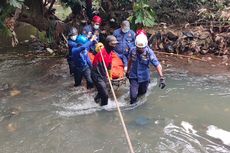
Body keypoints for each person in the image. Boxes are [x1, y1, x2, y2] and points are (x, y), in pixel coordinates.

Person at [126, 34, 166, 104]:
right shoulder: (133, 50)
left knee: (142, 94)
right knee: (133, 96)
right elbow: (130, 60)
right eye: (138, 48)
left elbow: (157, 65)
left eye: (142, 48)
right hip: (134, 76)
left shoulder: (149, 53)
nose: (140, 49)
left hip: (144, 77)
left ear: (145, 46)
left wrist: (161, 77)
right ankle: (133, 109)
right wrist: (128, 71)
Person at [91, 35, 118, 106]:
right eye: (112, 44)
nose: (114, 46)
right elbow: (94, 53)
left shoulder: (110, 53)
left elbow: (109, 67)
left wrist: (110, 76)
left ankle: (96, 100)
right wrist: (97, 49)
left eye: (115, 44)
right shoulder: (101, 53)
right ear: (107, 44)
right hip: (97, 75)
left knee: (105, 90)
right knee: (105, 95)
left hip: (103, 74)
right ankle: (103, 107)